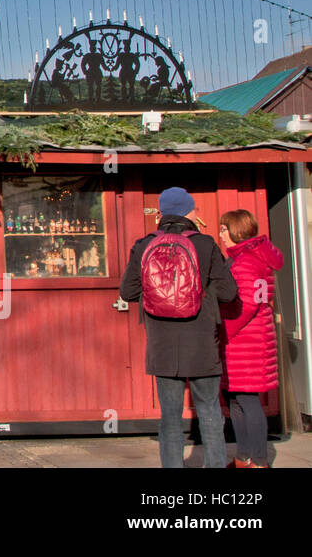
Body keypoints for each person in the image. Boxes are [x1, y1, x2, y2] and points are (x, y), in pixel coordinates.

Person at [119, 187, 237, 468]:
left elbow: (127, 291)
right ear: (188, 211)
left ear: (161, 213)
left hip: (161, 342)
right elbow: (229, 292)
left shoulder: (144, 244)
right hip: (201, 341)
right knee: (209, 410)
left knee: (170, 416)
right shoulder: (206, 244)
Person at [218, 209, 283, 468]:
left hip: (245, 341)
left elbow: (246, 306)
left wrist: (224, 332)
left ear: (237, 230)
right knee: (235, 398)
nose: (221, 234)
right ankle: (243, 457)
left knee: (247, 399)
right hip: (244, 341)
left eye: (224, 229)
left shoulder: (246, 261)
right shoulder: (245, 258)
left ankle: (258, 459)